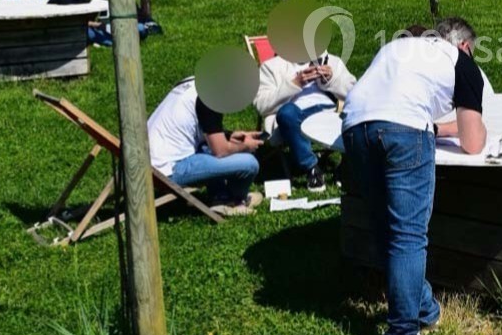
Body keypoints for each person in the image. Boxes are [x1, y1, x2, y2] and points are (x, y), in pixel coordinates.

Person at [341, 17, 487, 335]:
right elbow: (473, 143)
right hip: (405, 129)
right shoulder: (462, 63)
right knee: (409, 234)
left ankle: (425, 310)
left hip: (354, 127)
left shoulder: (396, 47)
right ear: (464, 45)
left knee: (387, 228)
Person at [146, 76, 264, 216]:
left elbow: (205, 129)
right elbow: (220, 151)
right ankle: (236, 200)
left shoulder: (192, 83)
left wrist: (230, 136)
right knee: (249, 162)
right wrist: (245, 146)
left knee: (208, 147)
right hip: (167, 170)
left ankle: (220, 197)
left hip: (147, 159)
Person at [254, 50, 356, 190]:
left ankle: (346, 167)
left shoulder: (331, 61)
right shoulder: (270, 67)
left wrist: (332, 79)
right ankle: (312, 168)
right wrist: (296, 83)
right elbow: (262, 105)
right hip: (295, 113)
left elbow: (355, 93)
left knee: (356, 113)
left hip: (328, 110)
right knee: (287, 113)